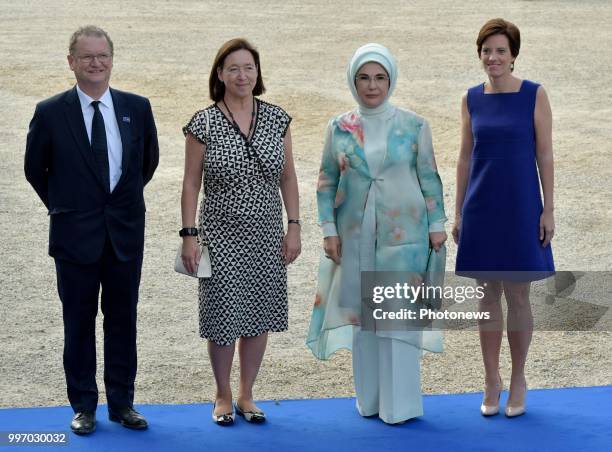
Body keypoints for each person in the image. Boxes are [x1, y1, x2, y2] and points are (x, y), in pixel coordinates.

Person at [24, 26, 159, 434]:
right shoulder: (50, 112)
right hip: (74, 238)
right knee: (78, 323)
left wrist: (114, 209)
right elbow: (35, 171)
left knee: (123, 321)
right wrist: (68, 208)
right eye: (87, 57)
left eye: (102, 55)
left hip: (123, 236)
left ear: (112, 59)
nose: (96, 63)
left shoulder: (137, 107)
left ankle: (123, 404)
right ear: (71, 62)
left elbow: (145, 165)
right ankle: (83, 406)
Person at [307, 43, 447, 425]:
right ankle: (369, 400)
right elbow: (326, 182)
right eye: (364, 78)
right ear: (354, 82)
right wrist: (328, 229)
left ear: (391, 80)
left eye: (380, 77)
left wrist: (438, 226)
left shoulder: (415, 125)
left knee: (397, 316)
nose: (372, 85)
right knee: (364, 318)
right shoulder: (338, 127)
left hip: (405, 238)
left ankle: (399, 406)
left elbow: (430, 177)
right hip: (354, 237)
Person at [181, 38, 300, 426]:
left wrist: (293, 226)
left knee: (258, 314)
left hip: (266, 233)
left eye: (248, 67)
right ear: (219, 74)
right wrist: (189, 234)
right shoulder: (203, 122)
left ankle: (248, 393)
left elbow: (288, 177)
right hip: (220, 234)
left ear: (258, 72)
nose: (242, 75)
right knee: (222, 316)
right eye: (233, 68)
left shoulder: (277, 119)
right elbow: (190, 184)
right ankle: (222, 393)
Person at [453, 18, 555, 418]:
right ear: (479, 54)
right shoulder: (470, 98)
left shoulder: (534, 95)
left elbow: (544, 154)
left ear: (513, 55)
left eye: (500, 50)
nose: (492, 57)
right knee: (486, 295)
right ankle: (491, 378)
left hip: (520, 206)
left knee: (517, 294)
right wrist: (458, 210)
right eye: (486, 50)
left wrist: (548, 208)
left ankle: (518, 379)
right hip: (481, 207)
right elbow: (464, 156)